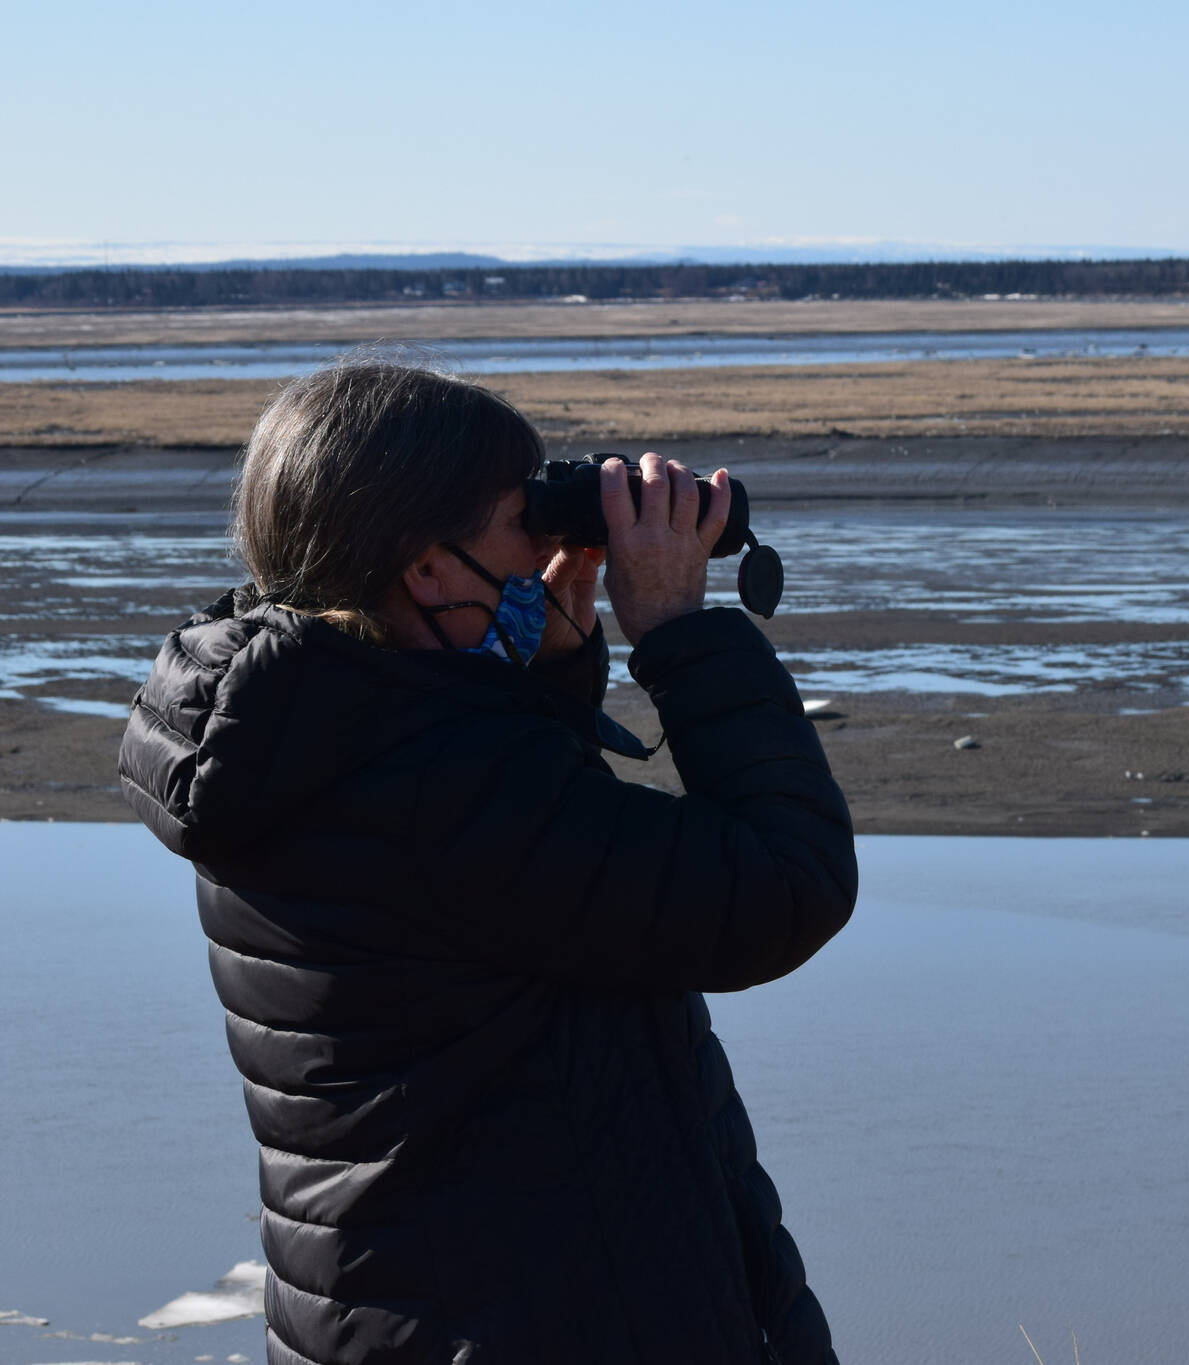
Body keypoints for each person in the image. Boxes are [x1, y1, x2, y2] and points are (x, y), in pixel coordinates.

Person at [117, 360, 858, 1365]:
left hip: (413, 1314)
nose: (547, 539)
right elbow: (782, 883)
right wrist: (680, 633)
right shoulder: (437, 783)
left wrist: (546, 669)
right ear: (426, 569)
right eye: (524, 517)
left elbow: (520, 903)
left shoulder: (311, 732)